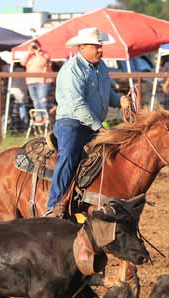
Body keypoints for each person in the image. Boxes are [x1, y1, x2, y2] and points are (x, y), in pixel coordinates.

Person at [45, 27, 130, 217]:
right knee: (68, 155)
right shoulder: (71, 70)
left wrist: (119, 101)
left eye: (100, 46)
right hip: (72, 123)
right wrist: (99, 128)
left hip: (92, 124)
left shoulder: (101, 68)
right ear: (82, 48)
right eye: (95, 46)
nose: (100, 50)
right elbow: (77, 105)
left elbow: (106, 93)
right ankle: (54, 204)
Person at [22, 40, 53, 112]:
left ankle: (45, 118)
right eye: (32, 46)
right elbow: (22, 63)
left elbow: (44, 63)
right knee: (35, 101)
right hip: (31, 81)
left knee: (42, 100)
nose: (33, 47)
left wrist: (38, 53)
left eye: (35, 46)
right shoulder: (29, 55)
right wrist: (29, 53)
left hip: (43, 81)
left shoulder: (45, 54)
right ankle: (39, 117)